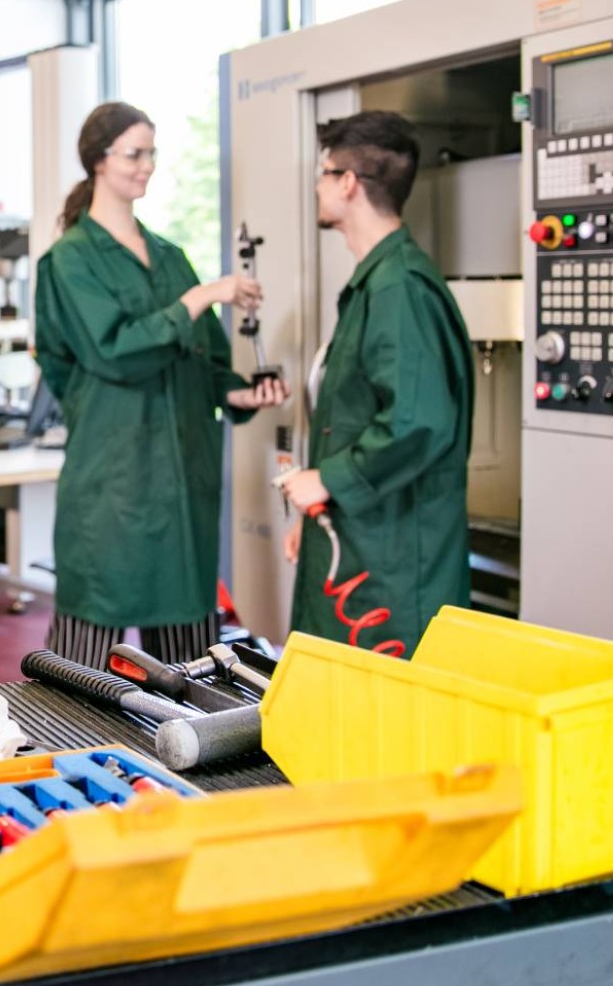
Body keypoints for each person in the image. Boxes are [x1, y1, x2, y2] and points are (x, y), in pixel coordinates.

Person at [33, 102, 288, 670]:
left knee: (190, 671)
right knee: (82, 665)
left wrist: (239, 393)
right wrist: (203, 297)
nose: (147, 165)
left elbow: (208, 363)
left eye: (152, 153)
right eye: (134, 153)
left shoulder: (171, 259)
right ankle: (75, 750)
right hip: (114, 485)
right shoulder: (70, 261)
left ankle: (183, 756)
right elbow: (114, 351)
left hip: (182, 489)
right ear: (99, 161)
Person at [277, 111, 475, 656]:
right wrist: (319, 515)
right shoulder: (375, 284)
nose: (316, 186)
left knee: (383, 725)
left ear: (347, 183)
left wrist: (327, 480)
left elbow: (415, 422)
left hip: (391, 564)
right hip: (359, 538)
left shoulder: (399, 290)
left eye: (322, 173)